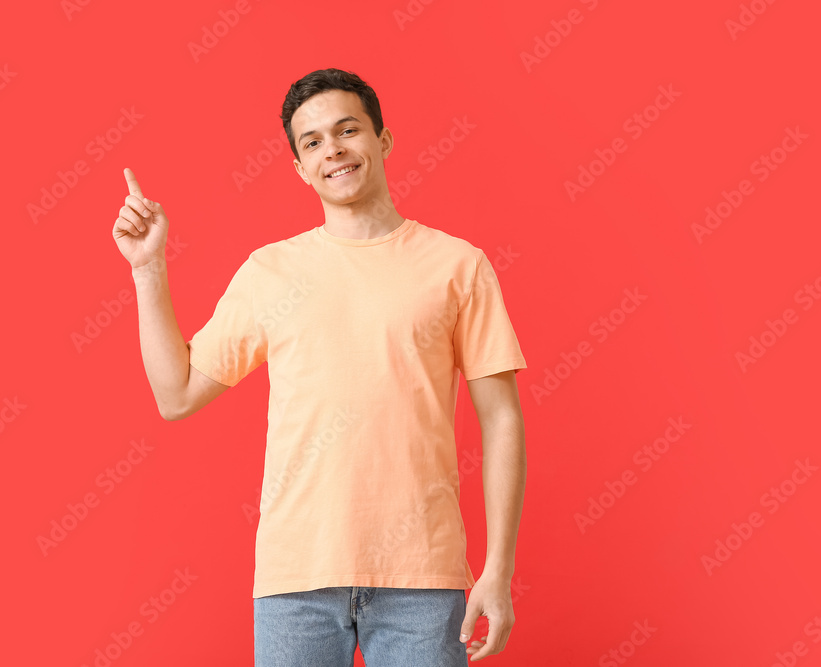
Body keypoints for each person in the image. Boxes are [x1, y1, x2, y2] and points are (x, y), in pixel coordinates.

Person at [112, 68, 528, 666]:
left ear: (382, 141)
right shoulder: (269, 273)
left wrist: (499, 569)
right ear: (300, 167)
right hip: (295, 579)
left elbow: (503, 420)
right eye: (311, 142)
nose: (331, 150)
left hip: (423, 579)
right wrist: (148, 271)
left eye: (347, 130)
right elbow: (175, 395)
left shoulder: (458, 266)